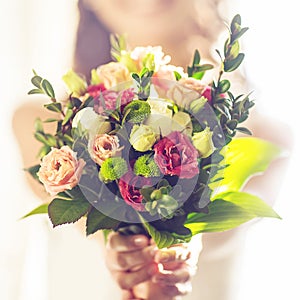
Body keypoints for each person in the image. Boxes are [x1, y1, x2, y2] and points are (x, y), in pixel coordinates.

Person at [13, 0, 292, 299]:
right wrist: (117, 238)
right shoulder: (40, 122)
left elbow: (235, 221)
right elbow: (66, 203)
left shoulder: (265, 137)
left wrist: (181, 247)